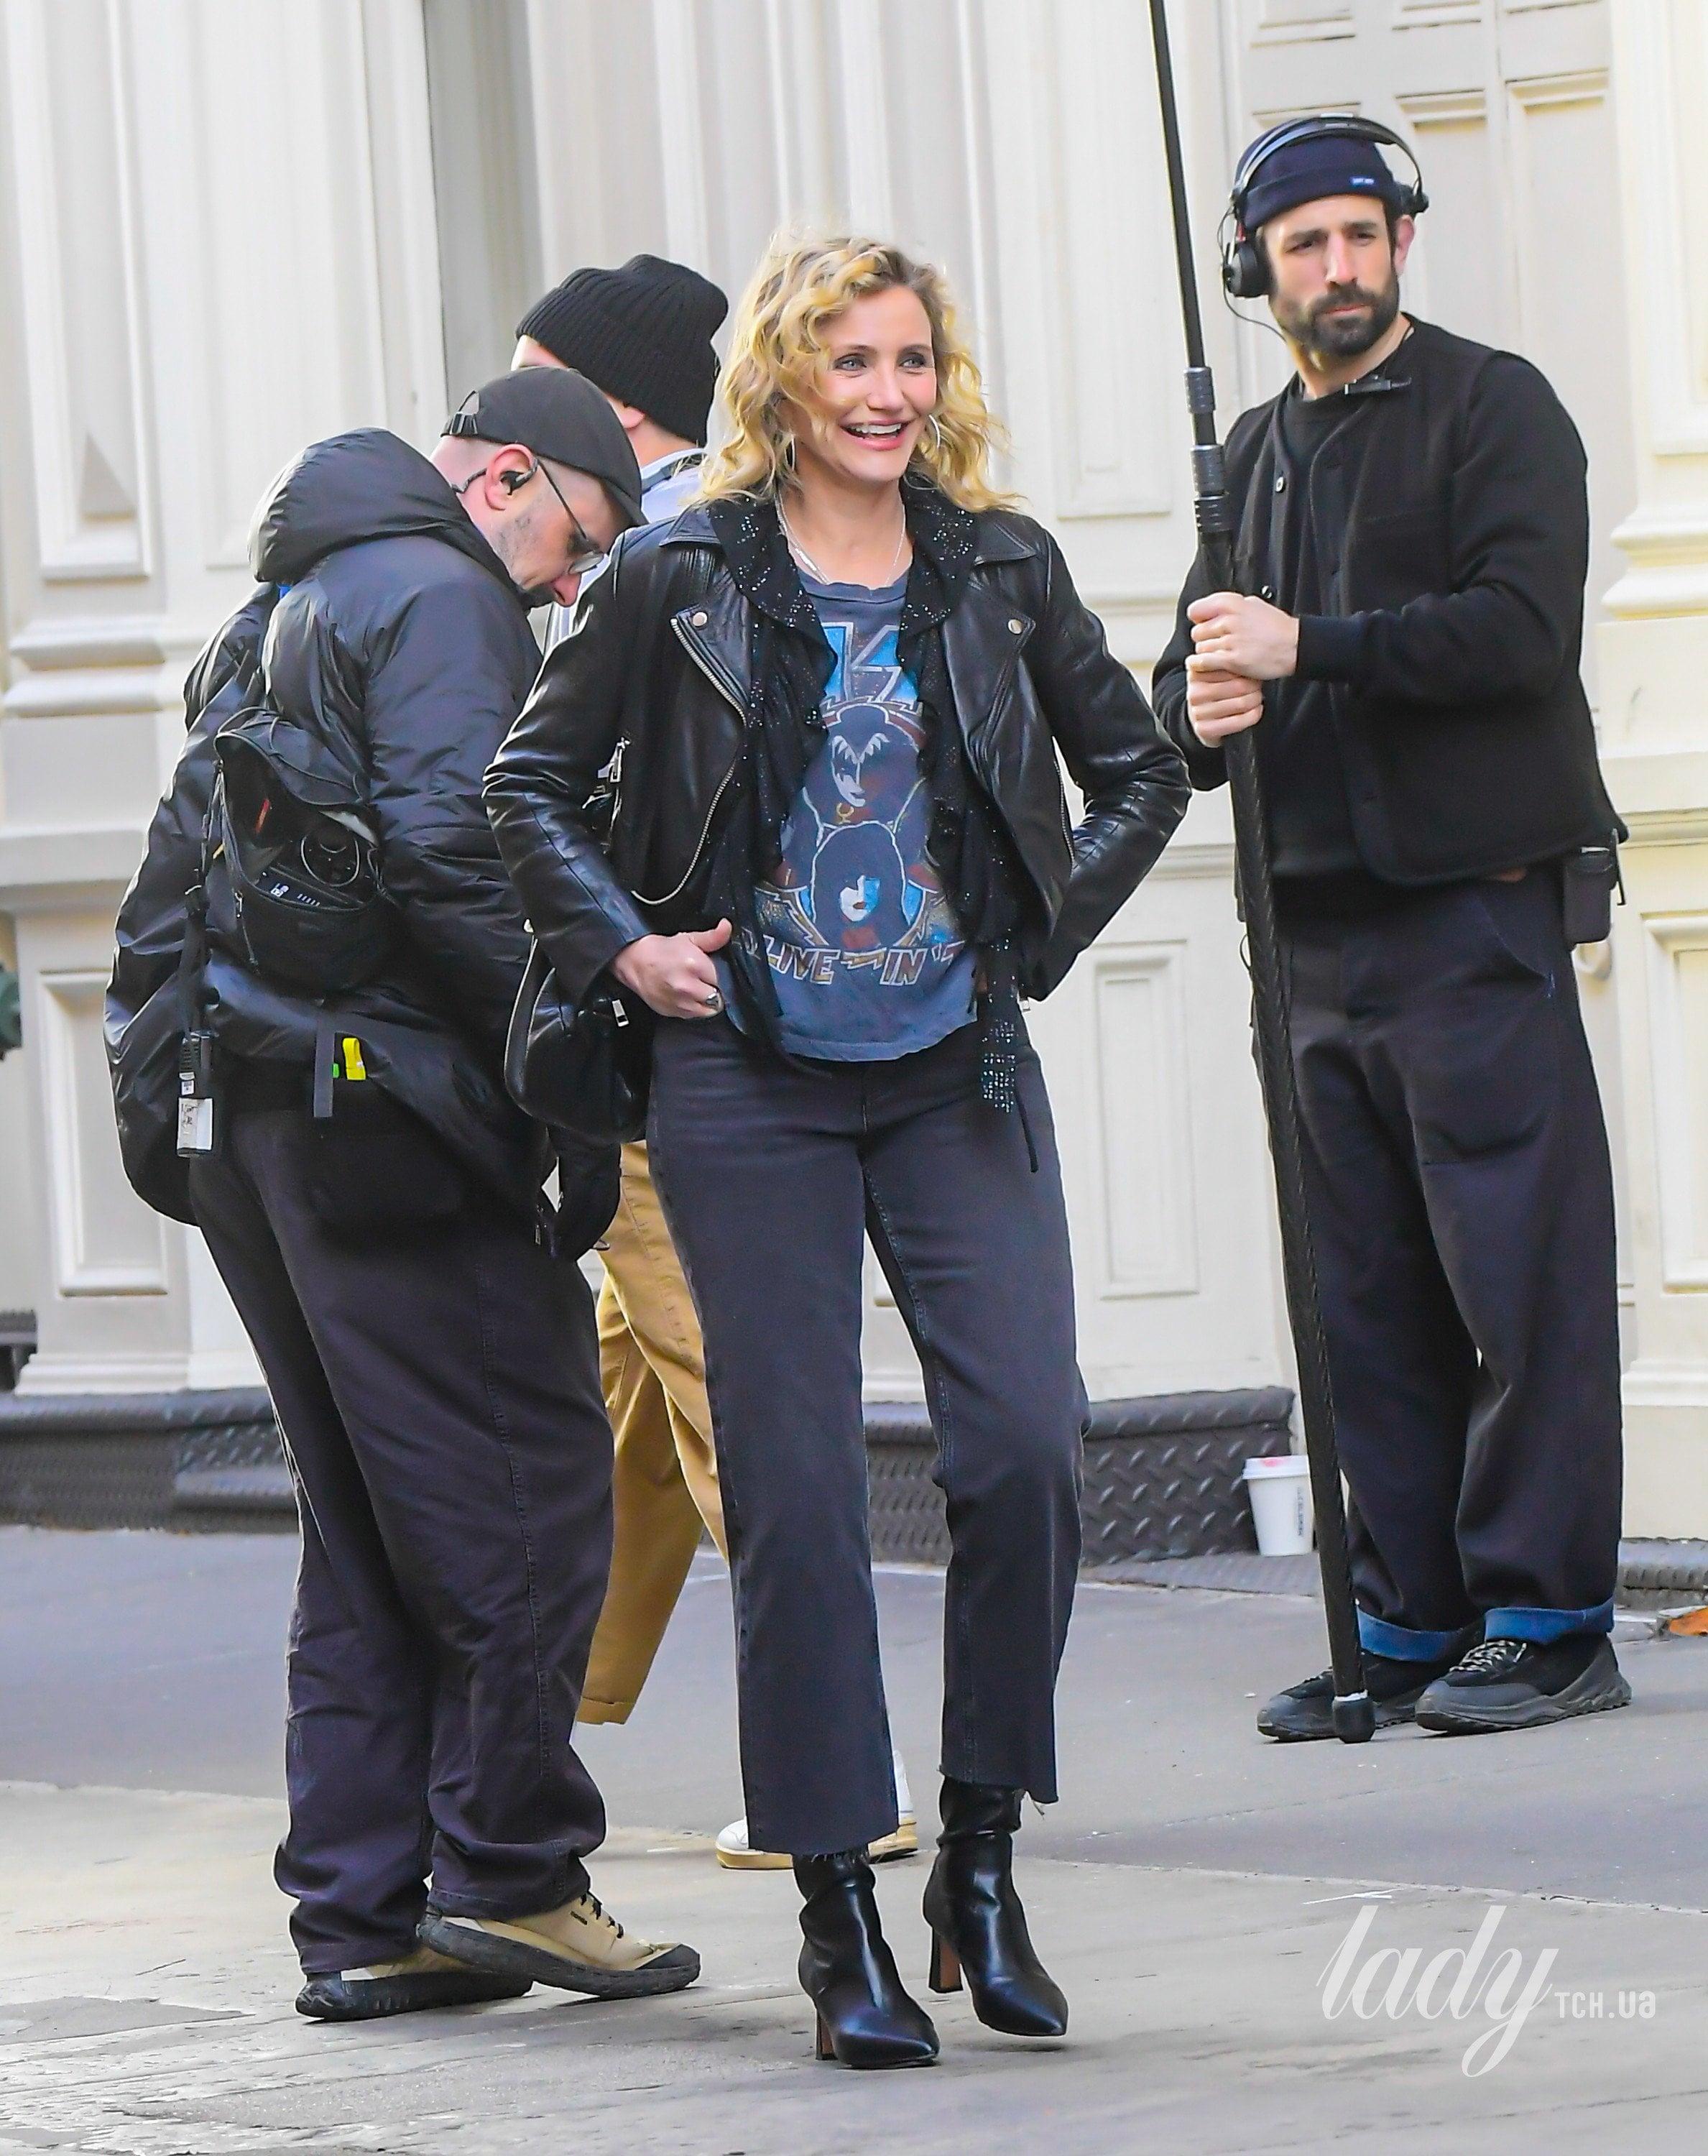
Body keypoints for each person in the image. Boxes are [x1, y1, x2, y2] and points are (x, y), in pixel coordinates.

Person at [487, 232, 1189, 2067]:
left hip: (957, 1073)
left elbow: (1137, 768)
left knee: (1026, 1449)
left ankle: (981, 1857)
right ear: (783, 383)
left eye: (911, 361)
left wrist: (1034, 934)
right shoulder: (679, 570)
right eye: (851, 361)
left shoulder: (999, 569)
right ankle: (835, 1913)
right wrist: (625, 948)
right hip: (747, 1081)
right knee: (794, 1493)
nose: (888, 394)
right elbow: (527, 784)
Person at [107, 369, 701, 2022]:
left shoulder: (278, 603)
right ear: (507, 477)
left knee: (369, 1525)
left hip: (258, 1116)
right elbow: (460, 858)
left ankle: (369, 1912)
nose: (571, 588)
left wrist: (165, 1113)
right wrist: (576, 1079)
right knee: (525, 1490)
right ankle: (511, 1873)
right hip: (389, 1120)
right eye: (576, 543)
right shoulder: (442, 600)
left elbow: (175, 876)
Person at [1151, 118, 1630, 1742]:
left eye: (1361, 234)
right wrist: (1197, 706)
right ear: (1258, 270)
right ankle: (1406, 1618)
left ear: (1402, 243)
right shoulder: (1249, 456)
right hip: (1309, 936)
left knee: (1514, 1281)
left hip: (1469, 914)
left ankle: (1549, 1621)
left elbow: (1519, 631)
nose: (1339, 267)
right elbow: (1192, 673)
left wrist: (1312, 650)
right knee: (1360, 1297)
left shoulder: (1495, 406)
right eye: (1306, 244)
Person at [512, 254, 920, 1866]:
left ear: (616, 411)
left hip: (669, 1039)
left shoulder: (646, 560)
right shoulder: (748, 533)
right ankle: (530, 1712)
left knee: (726, 1388)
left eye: (536, 390)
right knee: (637, 1387)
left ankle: (844, 1765)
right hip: (756, 1016)